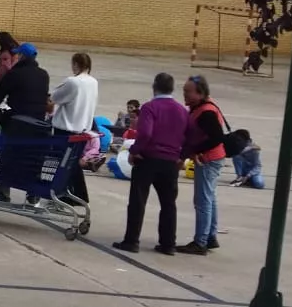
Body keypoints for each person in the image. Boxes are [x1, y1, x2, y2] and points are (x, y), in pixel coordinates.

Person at [114, 72, 186, 255]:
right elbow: (188, 135)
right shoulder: (181, 110)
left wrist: (134, 151)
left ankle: (131, 240)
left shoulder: (150, 107)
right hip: (171, 161)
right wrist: (182, 156)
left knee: (138, 200)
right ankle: (168, 243)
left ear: (154, 87)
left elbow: (145, 133)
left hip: (149, 159)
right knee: (169, 203)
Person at [0, 41, 51, 201]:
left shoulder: (15, 74)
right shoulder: (43, 75)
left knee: (9, 155)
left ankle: (4, 188)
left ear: (22, 56)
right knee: (32, 157)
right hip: (38, 125)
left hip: (17, 123)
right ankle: (33, 192)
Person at [176, 75, 229, 255]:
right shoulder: (201, 107)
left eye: (187, 91)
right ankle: (210, 236)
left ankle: (200, 242)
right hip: (213, 158)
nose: (184, 94)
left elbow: (216, 137)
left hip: (209, 160)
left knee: (202, 200)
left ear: (200, 93)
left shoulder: (205, 112)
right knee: (209, 198)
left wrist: (196, 151)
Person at [49, 52, 100, 206]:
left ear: (76, 64)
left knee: (63, 163)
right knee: (72, 162)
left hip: (66, 128)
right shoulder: (93, 82)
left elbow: (55, 97)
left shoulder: (73, 82)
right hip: (82, 127)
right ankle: (79, 193)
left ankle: (66, 193)